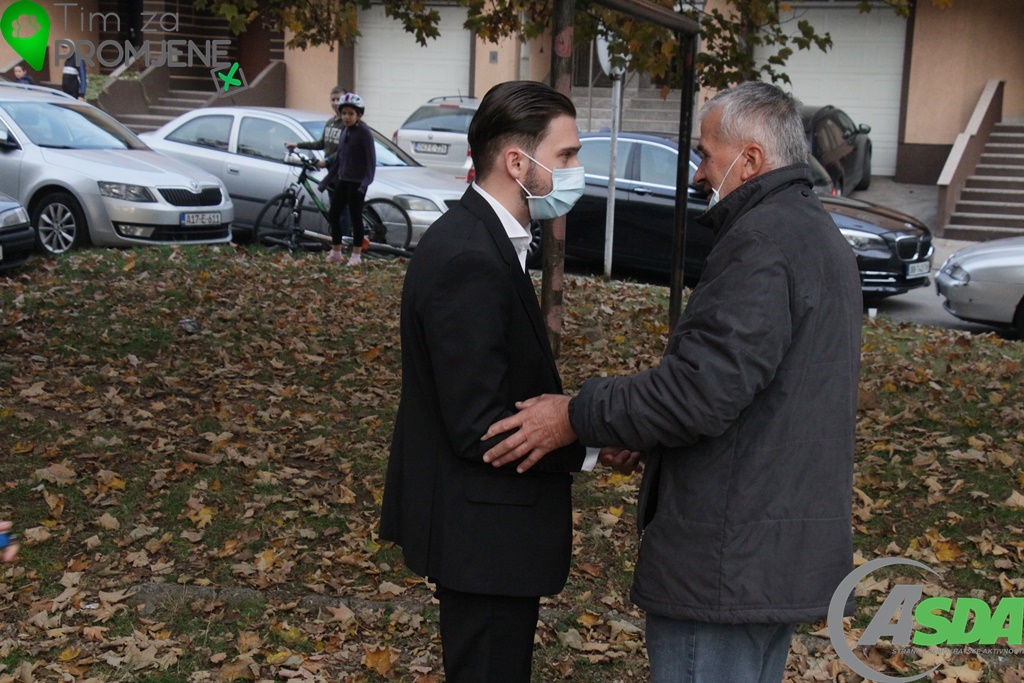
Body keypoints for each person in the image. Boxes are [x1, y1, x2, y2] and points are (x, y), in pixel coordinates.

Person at [481, 81, 863, 683]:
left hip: (728, 561)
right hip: (767, 551)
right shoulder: (811, 232)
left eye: (707, 155)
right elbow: (754, 391)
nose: (698, 173)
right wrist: (647, 434)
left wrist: (576, 414)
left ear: (751, 160)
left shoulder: (764, 243)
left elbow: (698, 393)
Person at [380, 80, 611, 683]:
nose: (577, 170)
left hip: (489, 538)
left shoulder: (488, 241)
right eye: (566, 155)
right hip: (483, 538)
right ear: (517, 162)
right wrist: (590, 442)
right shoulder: (469, 257)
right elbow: (479, 425)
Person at [284, 85, 351, 256]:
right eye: (333, 99)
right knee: (334, 208)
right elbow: (320, 143)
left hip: (343, 171)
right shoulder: (330, 122)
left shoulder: (346, 124)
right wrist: (297, 144)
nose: (335, 103)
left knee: (342, 209)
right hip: (331, 172)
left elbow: (344, 150)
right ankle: (336, 242)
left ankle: (345, 243)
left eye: (339, 99)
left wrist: (326, 160)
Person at [317, 92, 375, 265]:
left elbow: (371, 160)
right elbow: (339, 159)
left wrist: (366, 182)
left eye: (351, 114)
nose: (346, 117)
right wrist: (327, 180)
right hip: (343, 179)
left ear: (358, 115)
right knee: (334, 213)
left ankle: (356, 255)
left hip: (357, 182)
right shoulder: (345, 132)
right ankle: (336, 251)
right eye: (344, 113)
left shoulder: (364, 133)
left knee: (355, 218)